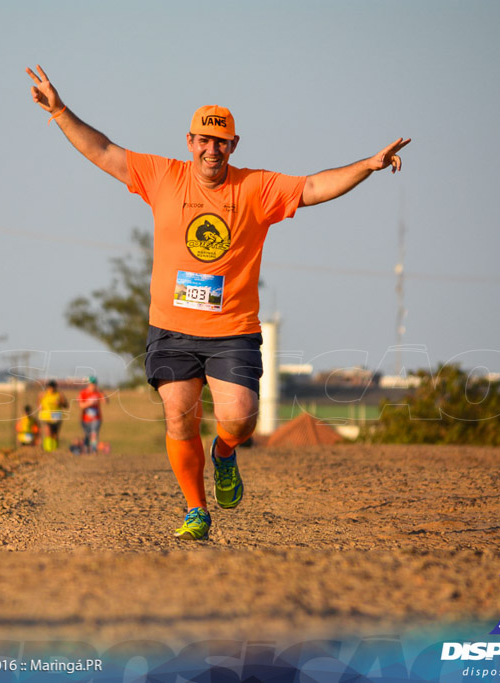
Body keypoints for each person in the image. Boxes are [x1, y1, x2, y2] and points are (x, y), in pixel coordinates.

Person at [27, 65, 409, 540]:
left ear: (234, 145)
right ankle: (195, 510)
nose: (212, 149)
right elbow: (103, 151)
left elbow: (312, 187)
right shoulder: (163, 176)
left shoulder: (255, 188)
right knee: (178, 415)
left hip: (232, 330)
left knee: (240, 419)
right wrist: (60, 111)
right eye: (204, 141)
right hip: (172, 328)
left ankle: (224, 453)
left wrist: (366, 167)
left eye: (221, 142)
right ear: (189, 142)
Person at [77, 376, 108, 453]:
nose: (93, 385)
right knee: (87, 435)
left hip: (96, 418)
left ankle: (93, 450)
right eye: (91, 384)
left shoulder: (98, 392)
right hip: (85, 419)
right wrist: (89, 403)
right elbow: (81, 405)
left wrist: (102, 392)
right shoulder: (83, 392)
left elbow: (106, 401)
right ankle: (87, 449)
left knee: (94, 433)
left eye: (94, 384)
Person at [38, 379, 68, 452]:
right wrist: (40, 407)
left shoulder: (59, 395)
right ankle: (48, 450)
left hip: (56, 416)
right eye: (49, 387)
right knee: (48, 432)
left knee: (55, 434)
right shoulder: (43, 394)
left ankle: (55, 450)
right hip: (46, 416)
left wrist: (60, 403)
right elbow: (39, 403)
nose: (51, 389)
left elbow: (66, 405)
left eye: (53, 387)